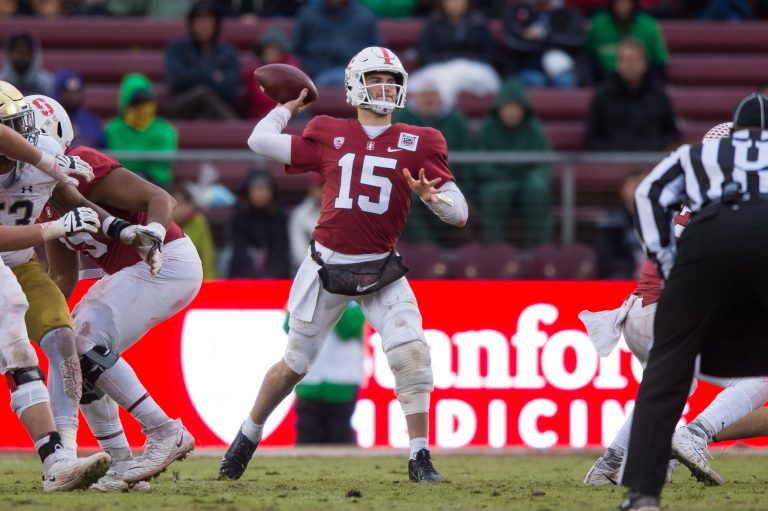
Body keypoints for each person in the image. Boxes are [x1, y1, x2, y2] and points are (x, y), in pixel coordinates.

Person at [218, 46, 468, 483]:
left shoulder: (420, 140)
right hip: (326, 266)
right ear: (354, 87)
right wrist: (284, 108)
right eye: (376, 79)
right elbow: (258, 140)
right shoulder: (328, 131)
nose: (386, 87)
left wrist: (433, 198)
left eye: (392, 79)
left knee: (411, 353)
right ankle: (247, 435)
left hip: (382, 268)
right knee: (292, 366)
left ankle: (419, 456)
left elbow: (460, 213)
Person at [28, 94, 202, 492]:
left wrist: (153, 237)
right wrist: (33, 315)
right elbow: (62, 278)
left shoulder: (83, 165)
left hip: (166, 261)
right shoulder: (41, 199)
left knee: (83, 340)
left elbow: (161, 199)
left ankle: (163, 431)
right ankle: (122, 464)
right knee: (73, 349)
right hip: (136, 272)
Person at [619, 94, 768, 511]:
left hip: (701, 255)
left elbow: (647, 192)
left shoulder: (697, 157)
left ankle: (642, 493)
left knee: (668, 373)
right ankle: (696, 434)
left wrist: (663, 256)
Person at [0, 84, 114, 492]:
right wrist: (54, 224)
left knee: (54, 337)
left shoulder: (40, 148)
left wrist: (118, 227)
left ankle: (60, 452)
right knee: (14, 337)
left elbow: (66, 192)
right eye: (10, 128)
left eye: (21, 127)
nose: (21, 137)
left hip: (21, 264)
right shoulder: (37, 153)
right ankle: (58, 458)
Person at [475, 78, 552, 248]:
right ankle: (497, 251)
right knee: (492, 194)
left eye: (515, 107)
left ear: (524, 109)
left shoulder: (534, 129)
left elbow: (544, 164)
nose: (511, 112)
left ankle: (536, 250)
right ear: (499, 109)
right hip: (498, 181)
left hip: (527, 181)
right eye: (507, 107)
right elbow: (481, 163)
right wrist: (498, 176)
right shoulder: (489, 129)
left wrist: (532, 178)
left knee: (537, 191)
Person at [584, 38, 678, 152]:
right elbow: (592, 139)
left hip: (651, 161)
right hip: (613, 162)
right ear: (618, 64)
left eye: (635, 60)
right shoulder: (603, 96)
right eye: (626, 60)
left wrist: (651, 148)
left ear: (645, 64)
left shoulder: (659, 95)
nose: (630, 66)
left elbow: (672, 135)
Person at [291, 303, 366, 444]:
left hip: (341, 382)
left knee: (340, 433)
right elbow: (290, 327)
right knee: (307, 435)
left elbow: (348, 329)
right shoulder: (307, 296)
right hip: (309, 381)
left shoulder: (355, 302)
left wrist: (332, 300)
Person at [163, 0, 240, 120]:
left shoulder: (227, 52)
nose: (204, 26)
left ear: (216, 24)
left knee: (206, 102)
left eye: (209, 21)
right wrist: (211, 76)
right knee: (201, 93)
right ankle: (238, 133)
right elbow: (176, 80)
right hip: (182, 108)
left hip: (214, 111)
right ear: (192, 23)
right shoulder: (177, 48)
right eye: (200, 20)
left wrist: (192, 76)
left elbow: (230, 88)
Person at [105, 73, 178, 188]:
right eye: (136, 102)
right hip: (123, 185)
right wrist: (148, 158)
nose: (142, 107)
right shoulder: (114, 129)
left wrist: (135, 158)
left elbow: (165, 161)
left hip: (158, 184)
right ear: (126, 103)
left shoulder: (164, 129)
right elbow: (120, 161)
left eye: (146, 101)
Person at [292, 0, 382, 87]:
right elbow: (296, 51)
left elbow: (376, 52)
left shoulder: (364, 15)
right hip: (316, 75)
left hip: (356, 76)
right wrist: (310, 69)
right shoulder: (309, 13)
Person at [501, 0, 586, 88]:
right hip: (528, 67)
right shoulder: (518, 11)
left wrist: (544, 36)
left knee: (565, 80)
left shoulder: (569, 13)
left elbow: (577, 41)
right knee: (536, 81)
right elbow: (513, 41)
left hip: (562, 67)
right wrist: (545, 42)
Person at [227, 168, 291, 279]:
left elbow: (280, 251)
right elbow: (239, 251)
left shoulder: (280, 217)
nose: (260, 193)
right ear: (248, 191)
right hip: (243, 276)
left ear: (272, 191)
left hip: (275, 277)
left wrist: (270, 276)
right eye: (256, 188)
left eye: (265, 188)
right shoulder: (237, 217)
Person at [585, 0, 668, 83]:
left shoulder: (648, 25)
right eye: (619, 3)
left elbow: (658, 61)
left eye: (626, 3)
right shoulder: (598, 24)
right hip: (604, 80)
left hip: (643, 83)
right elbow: (589, 57)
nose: (623, 8)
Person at [594, 169, 646, 279]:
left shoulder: (664, 219)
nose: (640, 191)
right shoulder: (610, 221)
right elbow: (605, 258)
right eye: (635, 186)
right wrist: (633, 270)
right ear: (623, 190)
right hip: (626, 275)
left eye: (644, 185)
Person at [246, 27, 302, 120]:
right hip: (262, 118)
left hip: (288, 116)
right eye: (267, 49)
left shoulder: (291, 69)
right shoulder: (254, 74)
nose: (270, 52)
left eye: (274, 49)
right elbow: (259, 99)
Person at [171, 182, 218, 279]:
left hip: (196, 276)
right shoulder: (164, 224)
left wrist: (208, 281)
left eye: (186, 203)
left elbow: (207, 254)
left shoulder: (199, 221)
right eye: (178, 204)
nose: (182, 209)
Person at [52, 68, 104, 149]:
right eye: (68, 92)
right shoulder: (50, 120)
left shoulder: (92, 121)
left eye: (76, 92)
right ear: (59, 93)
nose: (73, 96)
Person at [288, 174, 323, 271]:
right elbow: (297, 252)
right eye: (319, 187)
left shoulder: (339, 213)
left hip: (334, 272)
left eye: (326, 186)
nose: (323, 191)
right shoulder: (300, 214)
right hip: (305, 270)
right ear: (311, 189)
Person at [0, 31, 53, 96]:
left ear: (34, 54)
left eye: (26, 49)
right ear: (8, 53)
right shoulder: (1, 83)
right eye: (16, 48)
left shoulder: (47, 84)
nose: (21, 53)